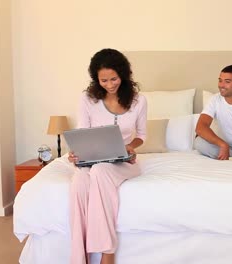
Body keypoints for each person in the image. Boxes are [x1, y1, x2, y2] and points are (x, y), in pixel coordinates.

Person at [68, 48, 147, 264]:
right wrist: (76, 153)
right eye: (104, 80)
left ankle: (107, 252)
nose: (110, 84)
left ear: (123, 74)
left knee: (101, 171)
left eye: (114, 78)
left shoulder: (139, 100)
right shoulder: (87, 99)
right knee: (79, 182)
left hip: (123, 161)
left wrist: (130, 147)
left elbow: (141, 136)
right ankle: (78, 256)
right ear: (96, 79)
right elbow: (83, 132)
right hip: (91, 159)